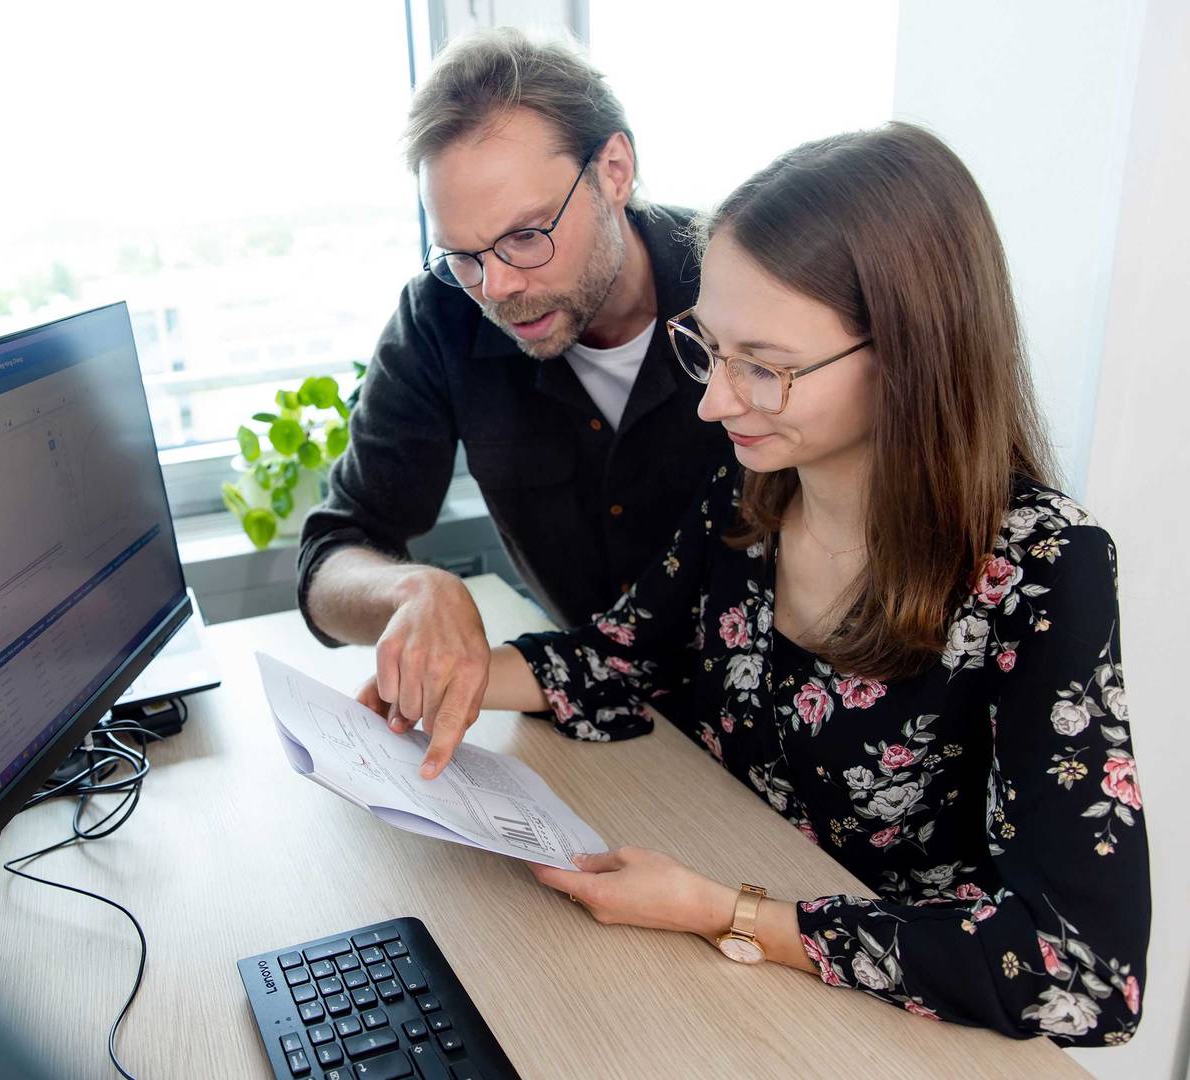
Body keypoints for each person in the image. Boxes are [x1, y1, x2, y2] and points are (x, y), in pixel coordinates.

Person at [365, 123, 1151, 1045]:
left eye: (765, 368)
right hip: (729, 971)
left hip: (892, 1029)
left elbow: (1086, 971)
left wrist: (725, 912)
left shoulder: (1043, 567)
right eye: (709, 348)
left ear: (909, 354)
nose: (713, 400)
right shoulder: (756, 486)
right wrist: (449, 671)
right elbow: (627, 660)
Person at [298, 29, 730, 771]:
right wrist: (411, 588)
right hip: (583, 717)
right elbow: (331, 558)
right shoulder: (442, 312)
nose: (496, 288)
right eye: (463, 255)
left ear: (615, 170)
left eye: (526, 236)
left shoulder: (738, 288)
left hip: (769, 741)